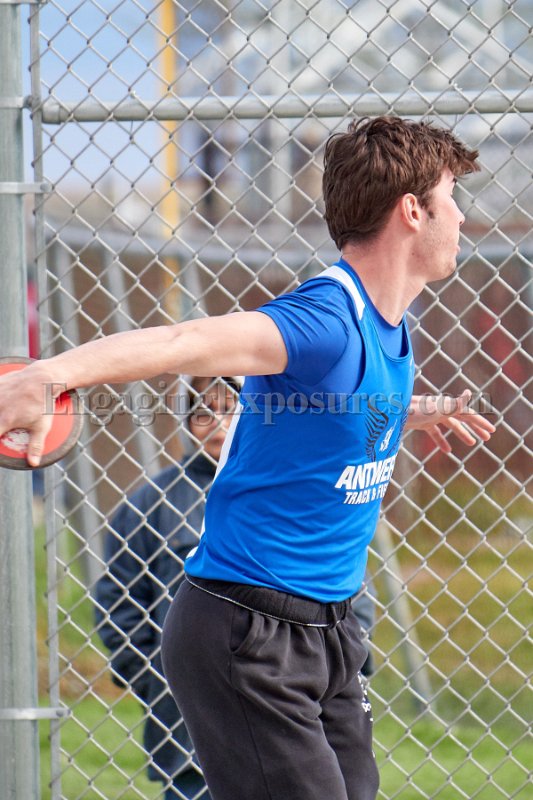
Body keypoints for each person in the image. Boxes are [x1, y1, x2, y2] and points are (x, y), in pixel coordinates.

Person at [0, 116, 496, 800]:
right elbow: (181, 342)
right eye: (451, 197)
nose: (462, 217)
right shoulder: (323, 321)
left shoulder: (389, 326)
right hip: (248, 631)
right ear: (412, 211)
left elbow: (325, 409)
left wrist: (409, 414)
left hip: (329, 628)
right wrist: (48, 375)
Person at [95, 376, 239, 799]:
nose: (217, 424)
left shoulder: (290, 492)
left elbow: (347, 585)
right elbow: (118, 601)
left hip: (283, 701)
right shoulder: (151, 503)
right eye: (203, 411)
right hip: (187, 722)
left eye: (230, 409)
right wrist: (154, 677)